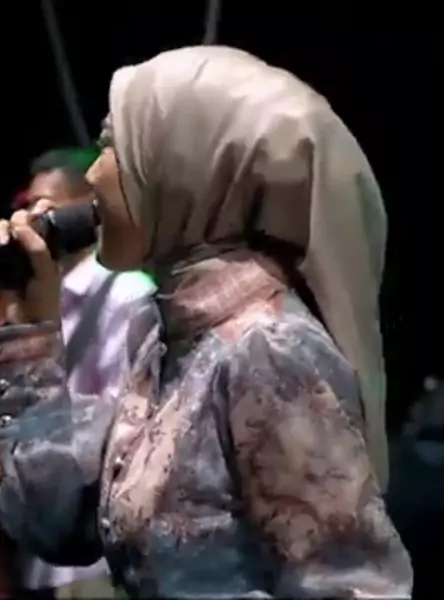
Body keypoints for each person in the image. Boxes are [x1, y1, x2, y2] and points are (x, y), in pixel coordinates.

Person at [0, 46, 412, 599]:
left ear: (185, 169)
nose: (93, 174)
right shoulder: (166, 337)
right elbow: (59, 520)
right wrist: (29, 333)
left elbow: (355, 588)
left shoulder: (267, 346)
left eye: (111, 146)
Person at [8, 148, 156, 599]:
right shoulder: (37, 296)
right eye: (28, 207)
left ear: (88, 209)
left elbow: (124, 427)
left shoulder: (126, 294)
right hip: (42, 555)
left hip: (103, 556)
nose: (33, 220)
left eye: (49, 208)